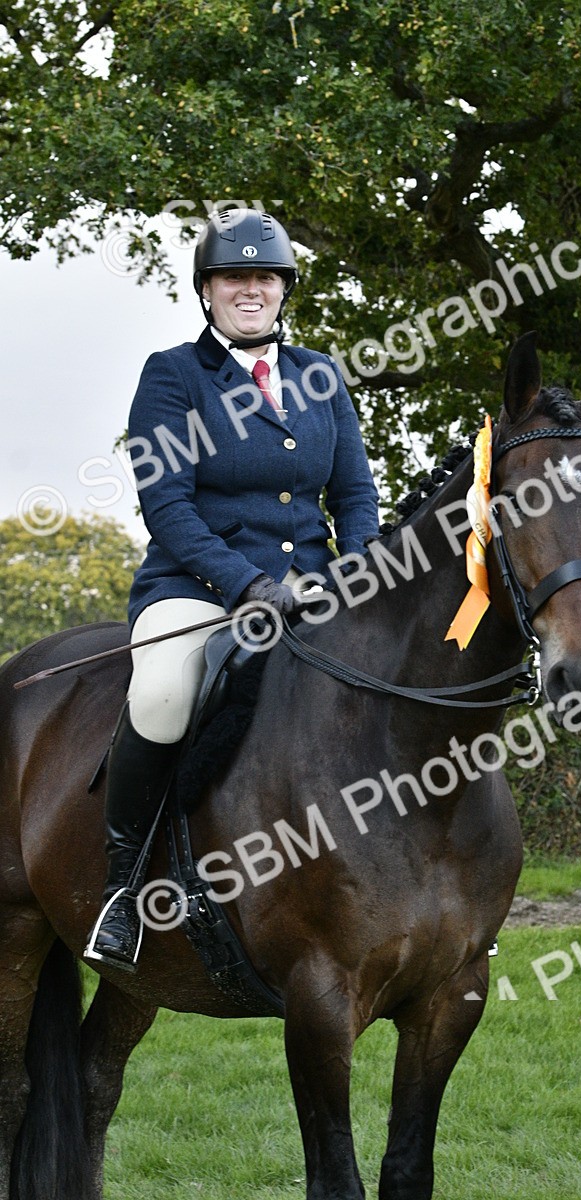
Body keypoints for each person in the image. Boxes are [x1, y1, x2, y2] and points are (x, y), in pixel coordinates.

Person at [84, 207, 380, 971]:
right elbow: (168, 505)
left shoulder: (320, 375)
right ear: (208, 291)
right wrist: (247, 583)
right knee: (163, 696)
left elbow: (353, 496)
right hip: (197, 587)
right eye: (233, 278)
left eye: (264, 278)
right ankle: (125, 893)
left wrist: (361, 571)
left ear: (284, 289)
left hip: (311, 592)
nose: (250, 290)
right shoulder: (173, 375)